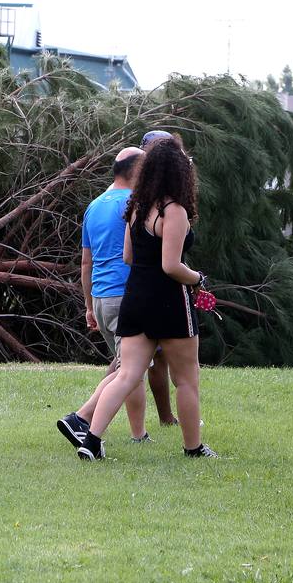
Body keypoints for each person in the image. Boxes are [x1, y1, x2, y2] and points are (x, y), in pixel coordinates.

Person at [60, 135, 217, 460]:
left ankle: (91, 440)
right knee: (187, 380)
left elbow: (129, 258)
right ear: (178, 172)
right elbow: (171, 265)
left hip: (135, 298)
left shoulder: (136, 209)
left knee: (127, 374)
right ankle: (193, 448)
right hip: (169, 302)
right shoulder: (174, 211)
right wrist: (198, 278)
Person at [77, 148, 176, 441]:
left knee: (128, 367)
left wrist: (88, 306)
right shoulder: (139, 205)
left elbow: (86, 261)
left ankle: (139, 434)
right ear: (137, 172)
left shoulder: (93, 207)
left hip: (101, 297)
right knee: (129, 370)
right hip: (128, 296)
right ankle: (81, 419)